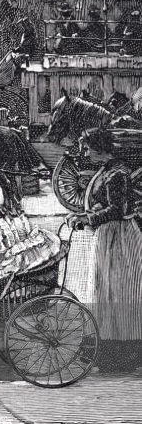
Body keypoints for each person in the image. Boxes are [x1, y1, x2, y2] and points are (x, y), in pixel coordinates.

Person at [68, 127, 142, 371]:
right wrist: (85, 214)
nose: (85, 153)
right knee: (104, 294)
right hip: (108, 236)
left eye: (88, 148)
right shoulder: (107, 170)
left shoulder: (117, 174)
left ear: (101, 149)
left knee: (119, 294)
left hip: (120, 239)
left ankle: (123, 356)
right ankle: (109, 353)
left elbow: (117, 210)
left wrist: (89, 219)